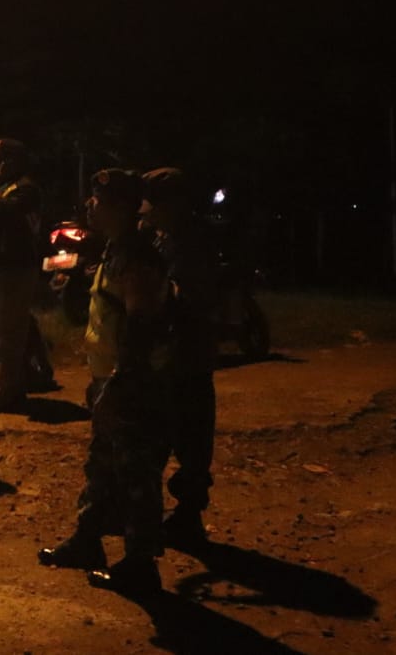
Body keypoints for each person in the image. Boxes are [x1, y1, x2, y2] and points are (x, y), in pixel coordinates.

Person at [38, 169, 170, 594]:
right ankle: (87, 539)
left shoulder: (136, 259)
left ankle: (141, 564)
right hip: (111, 379)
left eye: (98, 200)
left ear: (120, 207)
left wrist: (119, 381)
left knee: (135, 474)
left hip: (132, 383)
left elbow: (141, 326)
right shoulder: (115, 250)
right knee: (102, 465)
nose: (90, 206)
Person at [142, 167, 219, 547]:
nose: (148, 212)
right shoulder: (165, 238)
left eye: (154, 205)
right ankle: (180, 514)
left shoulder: (191, 243)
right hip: (172, 355)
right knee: (170, 435)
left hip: (187, 356)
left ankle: (188, 515)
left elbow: (185, 299)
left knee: (190, 437)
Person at [0, 136, 43, 415]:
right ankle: (12, 381)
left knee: (9, 333)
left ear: (14, 162)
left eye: (0, 159)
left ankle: (8, 391)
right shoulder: (7, 187)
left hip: (13, 271)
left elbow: (4, 211)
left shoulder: (26, 189)